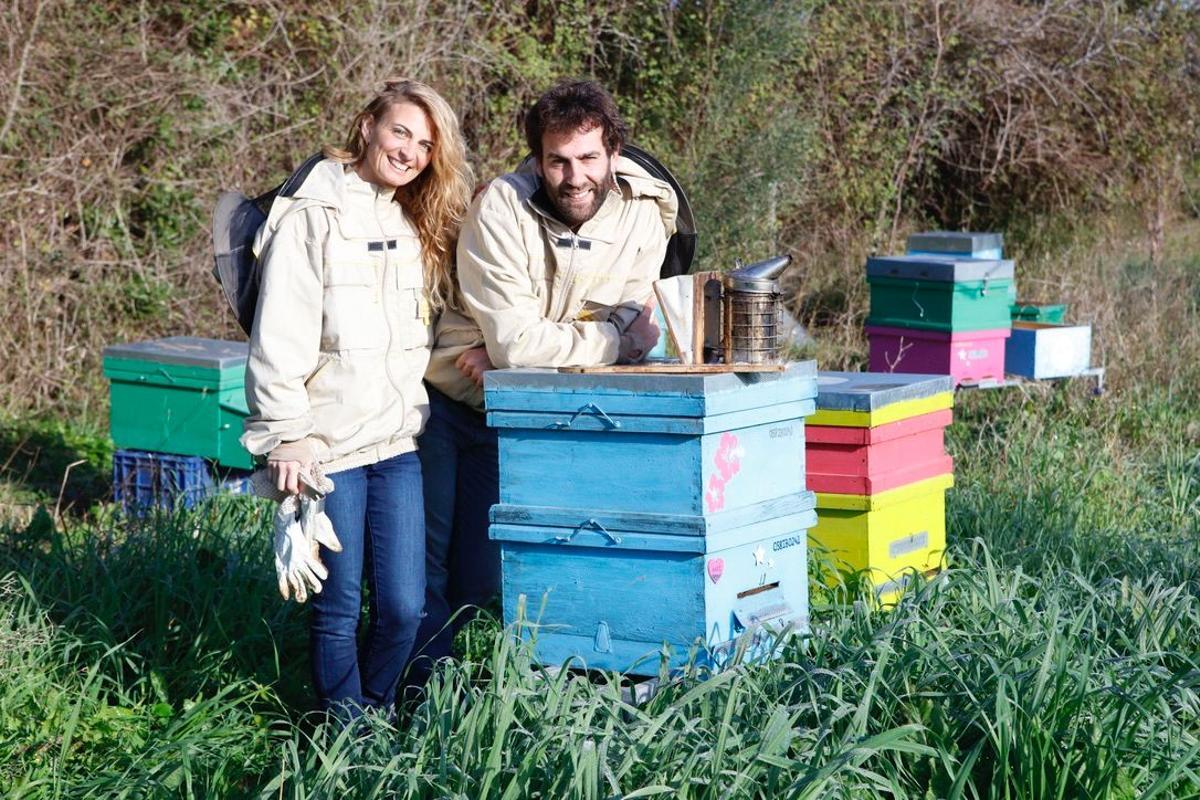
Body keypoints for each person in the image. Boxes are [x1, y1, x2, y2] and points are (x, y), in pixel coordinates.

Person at [407, 79, 677, 688]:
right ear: (537, 159)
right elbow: (529, 344)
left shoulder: (646, 211)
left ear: (613, 154)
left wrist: (520, 348)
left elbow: (633, 320)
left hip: (542, 413)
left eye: (587, 158)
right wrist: (597, 341)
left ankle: (498, 688)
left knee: (483, 576)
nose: (573, 175)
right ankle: (421, 697)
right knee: (424, 572)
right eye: (557, 160)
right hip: (454, 400)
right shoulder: (500, 206)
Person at [241, 78, 474, 716]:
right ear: (368, 124)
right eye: (401, 131)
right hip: (325, 448)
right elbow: (279, 333)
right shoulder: (312, 213)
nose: (410, 153)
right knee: (338, 607)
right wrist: (285, 433)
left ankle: (370, 709)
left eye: (426, 145)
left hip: (398, 441)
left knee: (404, 607)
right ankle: (345, 734)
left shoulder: (414, 217)